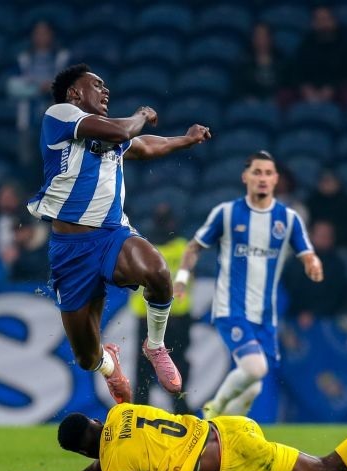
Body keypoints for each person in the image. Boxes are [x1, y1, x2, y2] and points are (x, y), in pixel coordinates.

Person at [27, 64, 211, 405]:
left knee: (157, 271)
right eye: (97, 85)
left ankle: (155, 346)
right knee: (86, 357)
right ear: (75, 93)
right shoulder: (61, 115)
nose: (105, 91)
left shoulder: (111, 136)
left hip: (112, 235)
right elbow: (126, 132)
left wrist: (185, 140)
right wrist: (140, 113)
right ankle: (110, 365)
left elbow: (144, 145)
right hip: (70, 249)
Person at [26, 390, 347, 471]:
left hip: (234, 460)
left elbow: (119, 467)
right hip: (228, 427)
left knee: (322, 469)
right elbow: (107, 454)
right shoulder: (120, 411)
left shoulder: (117, 469)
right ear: (97, 422)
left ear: (82, 448)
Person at [173, 151, 323, 419]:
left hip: (265, 312)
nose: (262, 178)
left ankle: (223, 433)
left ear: (276, 179)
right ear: (246, 177)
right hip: (232, 307)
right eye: (257, 172)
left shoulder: (288, 219)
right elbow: (194, 247)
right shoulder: (227, 214)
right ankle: (211, 411)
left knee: (252, 386)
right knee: (255, 369)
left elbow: (305, 250)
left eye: (268, 173)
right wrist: (182, 279)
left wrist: (312, 262)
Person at [129, 202, 193, 414]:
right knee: (178, 364)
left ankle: (140, 411)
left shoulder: (143, 247)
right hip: (176, 315)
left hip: (148, 315)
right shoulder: (182, 247)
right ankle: (181, 409)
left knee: (144, 367)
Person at [8, 20, 72, 168]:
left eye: (44, 33)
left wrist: (53, 87)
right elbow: (12, 87)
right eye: (37, 33)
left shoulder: (64, 57)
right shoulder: (22, 59)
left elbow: (73, 84)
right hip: (28, 122)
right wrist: (39, 88)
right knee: (27, 164)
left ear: (52, 35)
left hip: (59, 123)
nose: (41, 37)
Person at [289, 6, 347, 107]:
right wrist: (304, 87)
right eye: (319, 20)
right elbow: (296, 71)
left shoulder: (345, 46)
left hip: (337, 90)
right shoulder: (305, 46)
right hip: (309, 91)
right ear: (313, 24)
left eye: (326, 19)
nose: (323, 24)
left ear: (334, 22)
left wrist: (333, 88)